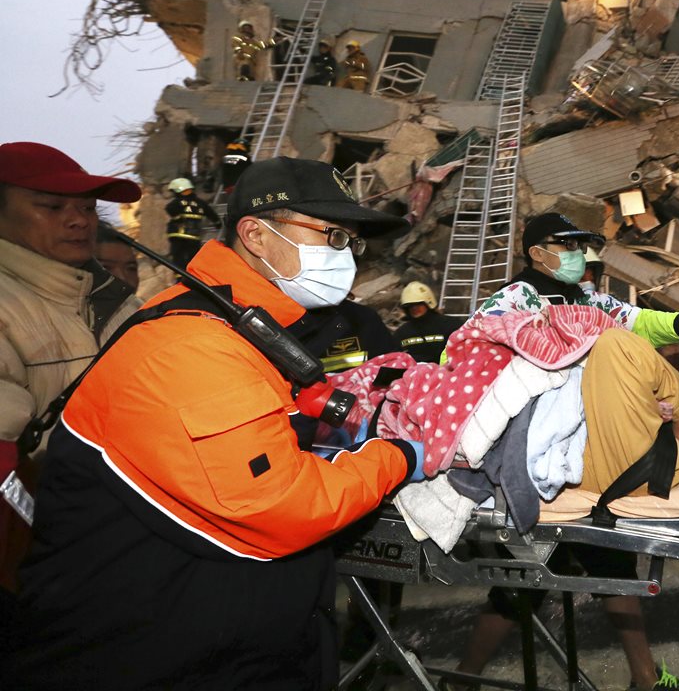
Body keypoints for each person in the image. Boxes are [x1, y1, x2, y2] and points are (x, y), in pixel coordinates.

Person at [3, 157, 423, 690]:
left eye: (352, 242)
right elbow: (277, 505)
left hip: (217, 643)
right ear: (256, 235)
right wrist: (397, 456)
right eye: (331, 235)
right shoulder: (194, 343)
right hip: (146, 655)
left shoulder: (240, 326)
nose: (345, 256)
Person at [448, 212, 679, 691]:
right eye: (566, 245)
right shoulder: (514, 299)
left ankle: (644, 678)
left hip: (593, 447)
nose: (577, 255)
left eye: (581, 245)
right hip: (543, 448)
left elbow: (638, 323)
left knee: (608, 567)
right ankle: (463, 679)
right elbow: (473, 357)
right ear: (537, 251)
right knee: (523, 583)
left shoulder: (590, 299)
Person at [0, 142, 142, 595]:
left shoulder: (121, 302)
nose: (79, 219)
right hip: (36, 565)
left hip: (123, 548)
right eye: (51, 205)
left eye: (86, 206)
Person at [393, 280, 464, 363]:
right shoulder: (401, 334)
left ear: (429, 303)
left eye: (418, 304)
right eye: (409, 306)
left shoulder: (451, 325)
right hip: (413, 374)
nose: (414, 308)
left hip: (448, 373)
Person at [165, 176, 221, 269]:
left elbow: (169, 209)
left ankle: (180, 277)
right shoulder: (200, 203)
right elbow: (211, 214)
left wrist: (178, 217)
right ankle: (193, 277)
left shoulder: (176, 202)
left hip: (177, 235)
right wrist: (217, 223)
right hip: (193, 236)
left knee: (178, 257)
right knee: (194, 258)